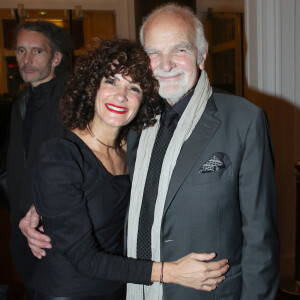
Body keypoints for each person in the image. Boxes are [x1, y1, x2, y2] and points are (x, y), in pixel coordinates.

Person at [21, 3, 280, 299]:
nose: (166, 64)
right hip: (130, 288)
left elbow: (261, 236)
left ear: (202, 55)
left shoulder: (243, 120)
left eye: (179, 50)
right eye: (154, 53)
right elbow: (79, 172)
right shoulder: (135, 124)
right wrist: (42, 205)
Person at [26, 39, 228, 300]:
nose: (121, 96)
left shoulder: (133, 149)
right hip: (67, 292)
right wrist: (172, 272)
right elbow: (83, 257)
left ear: (144, 98)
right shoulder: (61, 155)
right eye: (111, 81)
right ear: (92, 87)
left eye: (133, 87)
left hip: (118, 286)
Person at [6, 21, 72, 287]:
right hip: (21, 222)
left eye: (37, 51)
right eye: (21, 51)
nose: (27, 59)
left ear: (56, 58)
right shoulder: (22, 102)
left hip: (55, 225)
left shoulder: (71, 99)